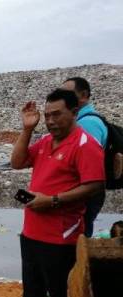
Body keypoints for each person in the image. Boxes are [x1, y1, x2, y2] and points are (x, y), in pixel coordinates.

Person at [9, 89, 105, 297]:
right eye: (47, 115)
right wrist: (27, 130)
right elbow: (16, 162)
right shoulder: (45, 142)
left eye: (57, 114)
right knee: (33, 281)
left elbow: (95, 185)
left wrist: (52, 201)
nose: (50, 120)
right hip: (32, 228)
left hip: (62, 232)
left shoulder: (85, 144)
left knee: (60, 286)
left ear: (74, 113)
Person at [62, 77, 108, 237]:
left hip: (84, 194)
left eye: (67, 93)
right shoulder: (81, 121)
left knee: (79, 237)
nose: (63, 98)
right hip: (81, 193)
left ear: (83, 95)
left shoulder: (88, 124)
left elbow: (90, 167)